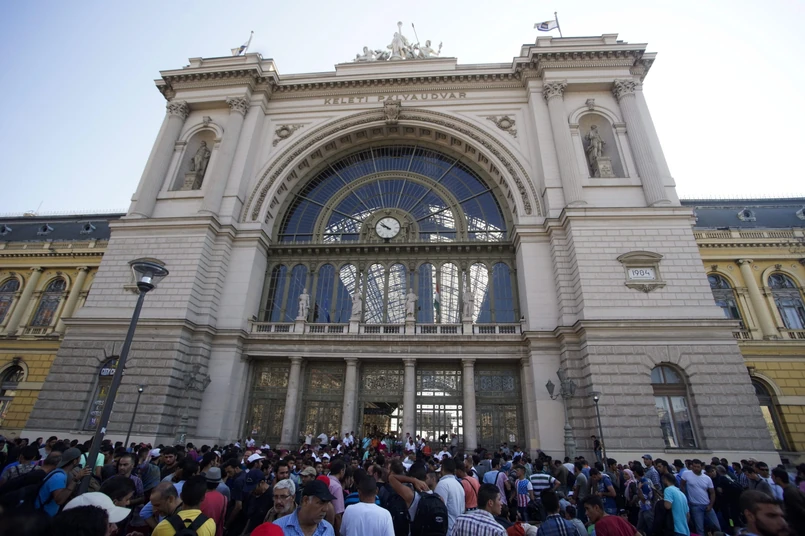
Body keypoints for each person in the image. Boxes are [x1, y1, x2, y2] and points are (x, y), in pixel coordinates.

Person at [36, 447, 90, 516]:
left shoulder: (58, 472)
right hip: (43, 515)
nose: (80, 460)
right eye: (79, 458)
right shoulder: (59, 476)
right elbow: (59, 500)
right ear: (74, 461)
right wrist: (75, 479)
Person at [680, 459, 719, 536]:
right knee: (700, 529)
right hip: (695, 505)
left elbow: (712, 492)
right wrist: (685, 498)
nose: (696, 468)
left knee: (716, 526)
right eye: (694, 466)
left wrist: (711, 505)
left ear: (701, 467)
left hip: (707, 504)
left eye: (698, 467)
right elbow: (682, 485)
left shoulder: (707, 478)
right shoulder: (686, 474)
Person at [434, 458, 465, 533]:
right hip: (457, 529)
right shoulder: (458, 484)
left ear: (442, 469)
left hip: (447, 529)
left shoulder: (442, 484)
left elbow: (438, 510)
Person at [771, 466, 805, 535]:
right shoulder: (791, 489)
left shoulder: (789, 492)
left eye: (772, 477)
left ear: (778, 478)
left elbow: (800, 509)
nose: (771, 478)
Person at [200, 468, 228, 536]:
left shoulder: (200, 497)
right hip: (216, 532)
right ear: (218, 484)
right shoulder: (224, 498)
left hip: (201, 532)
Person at [661, 471, 690, 536]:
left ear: (665, 480)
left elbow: (667, 506)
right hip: (685, 531)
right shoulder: (682, 494)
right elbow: (688, 515)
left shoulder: (668, 490)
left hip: (675, 529)